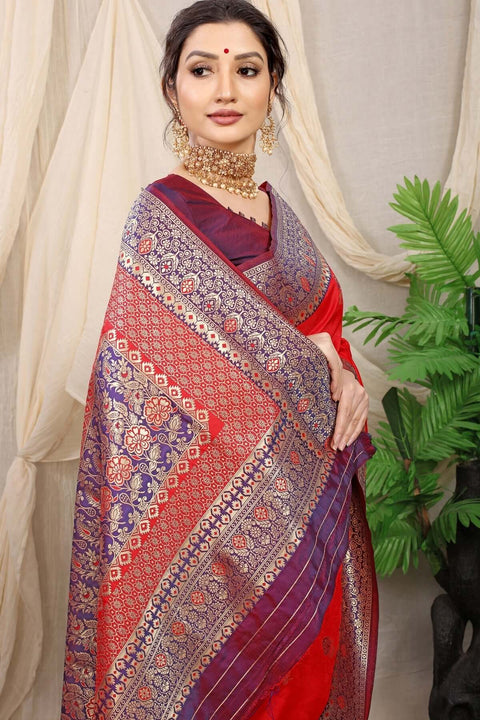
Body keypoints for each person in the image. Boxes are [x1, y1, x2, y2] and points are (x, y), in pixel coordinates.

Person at [62, 1, 378, 718]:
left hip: (306, 515)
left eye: (248, 69)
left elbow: (325, 334)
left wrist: (346, 377)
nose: (226, 90)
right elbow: (138, 385)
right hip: (213, 534)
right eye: (203, 70)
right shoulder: (160, 216)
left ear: (273, 87)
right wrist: (311, 357)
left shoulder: (278, 212)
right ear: (173, 89)